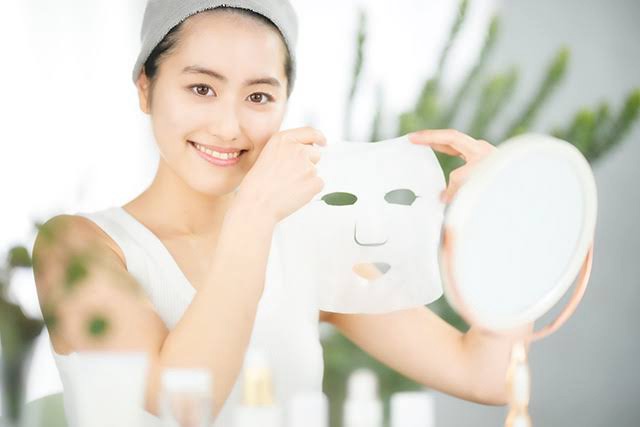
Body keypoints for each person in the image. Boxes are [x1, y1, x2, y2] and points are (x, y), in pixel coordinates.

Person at [32, 0, 533, 424]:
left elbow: (487, 376)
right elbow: (183, 405)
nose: (229, 127)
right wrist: (254, 214)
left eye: (259, 96)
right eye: (202, 88)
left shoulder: (306, 240)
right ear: (145, 86)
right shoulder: (76, 246)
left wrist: (505, 219)